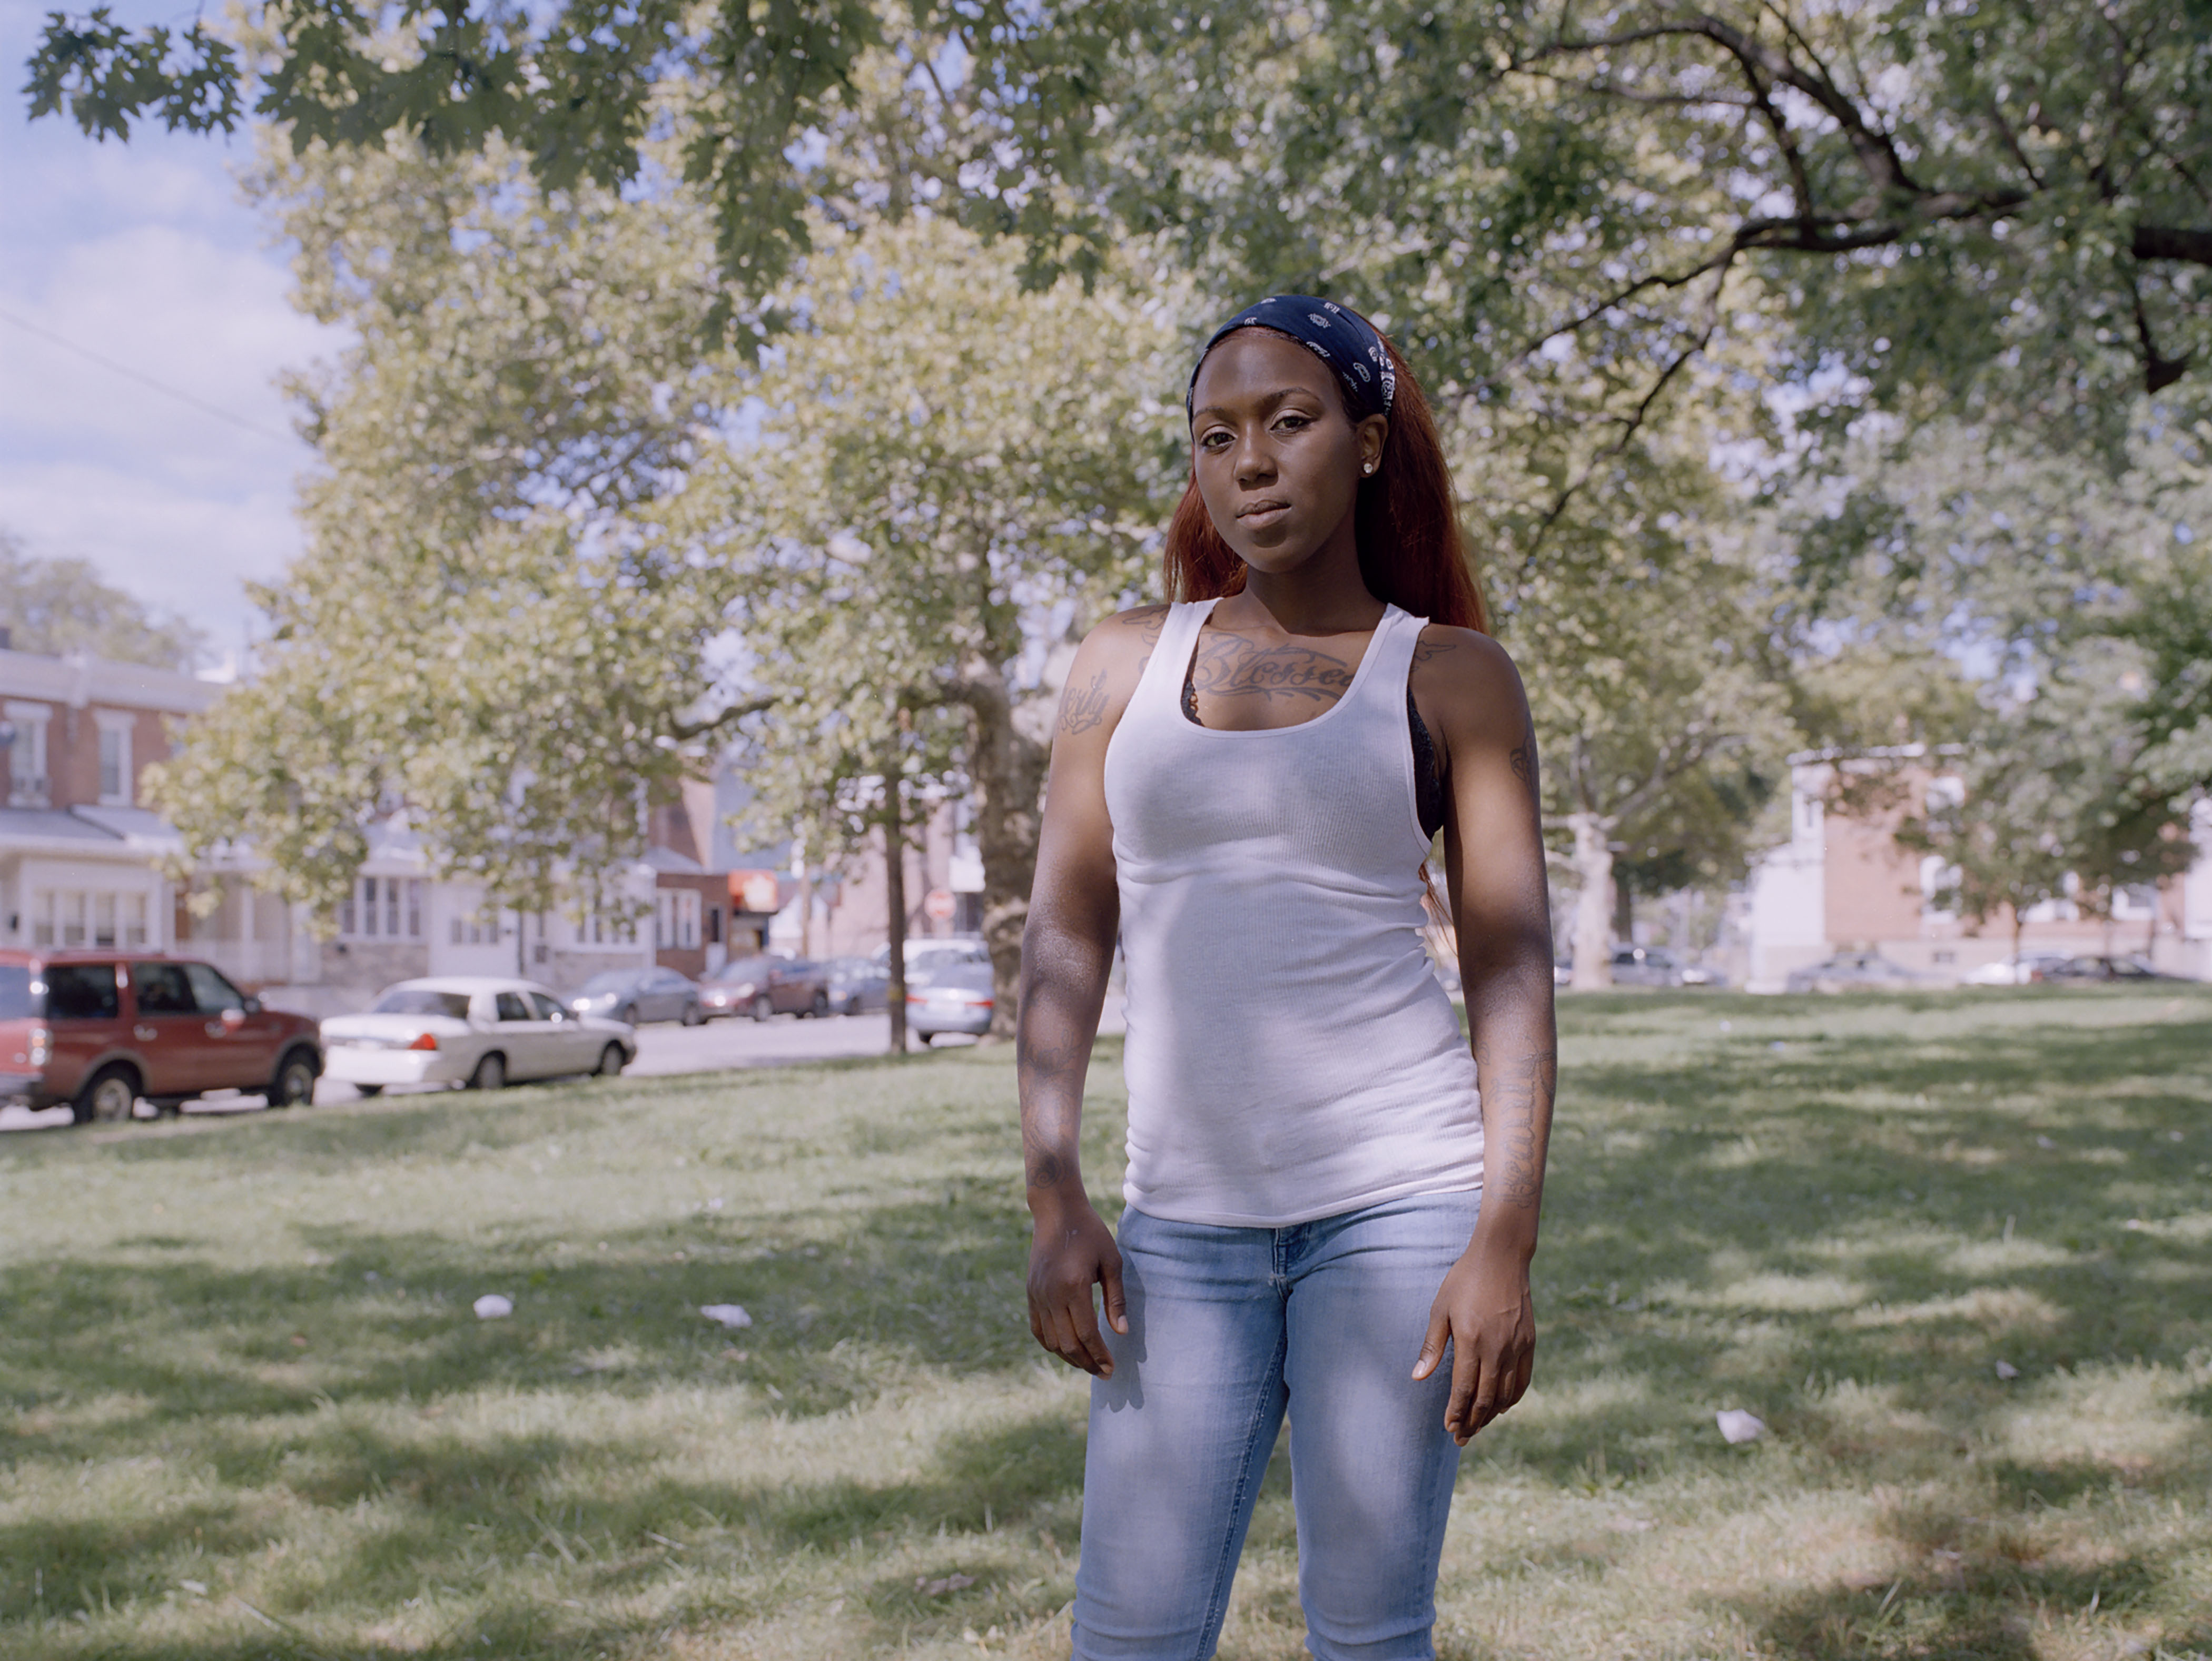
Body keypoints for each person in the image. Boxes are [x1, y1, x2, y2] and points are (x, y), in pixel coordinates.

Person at [1017, 295, 1559, 1659]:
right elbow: (1068, 928)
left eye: (1289, 421)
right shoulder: (1119, 662)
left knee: (1369, 1634)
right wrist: (1054, 1190)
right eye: (1217, 435)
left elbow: (1509, 968)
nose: (1250, 460)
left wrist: (1502, 1238)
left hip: (1397, 1208)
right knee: (1127, 1635)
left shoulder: (1454, 677)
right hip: (1181, 1226)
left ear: (1367, 442)